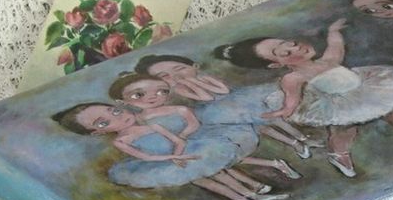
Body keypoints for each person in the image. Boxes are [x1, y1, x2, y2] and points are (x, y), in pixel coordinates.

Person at [214, 18, 393, 178]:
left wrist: (333, 31)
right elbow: (292, 100)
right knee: (345, 129)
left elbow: (336, 47)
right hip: (340, 103)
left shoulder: (327, 61)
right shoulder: (293, 77)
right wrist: (282, 112)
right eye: (286, 53)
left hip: (367, 88)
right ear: (275, 65)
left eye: (292, 43)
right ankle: (338, 153)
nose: (297, 48)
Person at [52, 103, 291, 200]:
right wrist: (171, 159)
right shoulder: (121, 141)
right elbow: (145, 157)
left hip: (188, 149)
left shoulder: (150, 124)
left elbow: (176, 138)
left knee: (217, 170)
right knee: (203, 178)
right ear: (97, 133)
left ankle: (250, 195)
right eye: (104, 123)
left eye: (113, 110)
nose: (118, 117)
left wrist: (180, 152)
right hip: (168, 160)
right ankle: (242, 199)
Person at [108, 72, 302, 180]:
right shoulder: (138, 118)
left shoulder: (178, 108)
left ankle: (281, 159)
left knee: (226, 157)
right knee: (222, 163)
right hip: (179, 144)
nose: (152, 97)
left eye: (161, 91)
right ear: (123, 101)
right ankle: (275, 165)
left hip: (201, 134)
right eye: (138, 95)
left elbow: (193, 123)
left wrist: (183, 137)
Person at [134, 55, 322, 159]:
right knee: (260, 128)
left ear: (194, 66)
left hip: (239, 100)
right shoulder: (179, 89)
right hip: (218, 112)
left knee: (271, 117)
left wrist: (197, 83)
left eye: (179, 69)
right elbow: (205, 99)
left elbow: (222, 91)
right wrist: (189, 85)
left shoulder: (204, 77)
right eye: (164, 76)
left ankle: (302, 138)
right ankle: (293, 143)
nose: (176, 77)